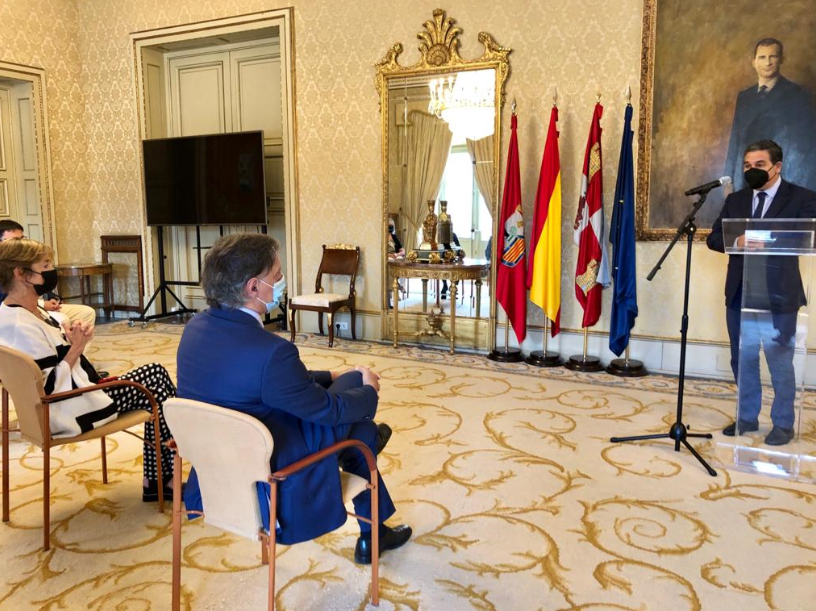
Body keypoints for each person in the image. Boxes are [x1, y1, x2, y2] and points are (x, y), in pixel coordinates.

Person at [175, 233, 411, 564]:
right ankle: (368, 446)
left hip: (221, 464)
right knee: (356, 408)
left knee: (349, 406)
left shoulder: (195, 328)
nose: (282, 281)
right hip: (275, 472)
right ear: (253, 287)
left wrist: (330, 375)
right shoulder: (272, 351)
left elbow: (269, 383)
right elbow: (329, 411)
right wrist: (369, 388)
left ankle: (375, 530)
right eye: (277, 275)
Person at [0, 238, 175, 500]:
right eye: (45, 266)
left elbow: (49, 360)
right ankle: (163, 476)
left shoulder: (20, 311)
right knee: (157, 384)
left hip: (71, 397)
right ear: (21, 273)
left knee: (156, 376)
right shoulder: (21, 325)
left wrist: (71, 339)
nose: (52, 271)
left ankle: (160, 476)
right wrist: (77, 348)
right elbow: (47, 387)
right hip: (66, 408)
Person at [707, 139, 816, 446]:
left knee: (779, 361)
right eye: (746, 166)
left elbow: (809, 236)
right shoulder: (736, 200)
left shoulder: (803, 198)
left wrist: (763, 237)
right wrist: (737, 241)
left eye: (759, 165)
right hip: (740, 292)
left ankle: (783, 423)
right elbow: (714, 238)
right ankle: (747, 416)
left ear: (776, 166)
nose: (751, 170)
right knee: (742, 359)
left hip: (780, 296)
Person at [724, 38, 816, 192]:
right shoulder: (745, 97)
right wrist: (728, 181)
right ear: (754, 62)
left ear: (781, 60)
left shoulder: (798, 95)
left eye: (773, 56)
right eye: (762, 57)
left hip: (780, 177)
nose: (767, 63)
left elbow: (803, 148)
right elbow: (735, 140)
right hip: (745, 178)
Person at [0, 220, 97, 331]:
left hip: (39, 306)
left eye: (22, 239)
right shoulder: (8, 268)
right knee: (62, 320)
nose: (21, 244)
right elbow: (11, 300)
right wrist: (42, 304)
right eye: (15, 241)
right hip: (29, 307)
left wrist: (54, 299)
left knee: (86, 312)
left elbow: (41, 284)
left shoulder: (29, 260)